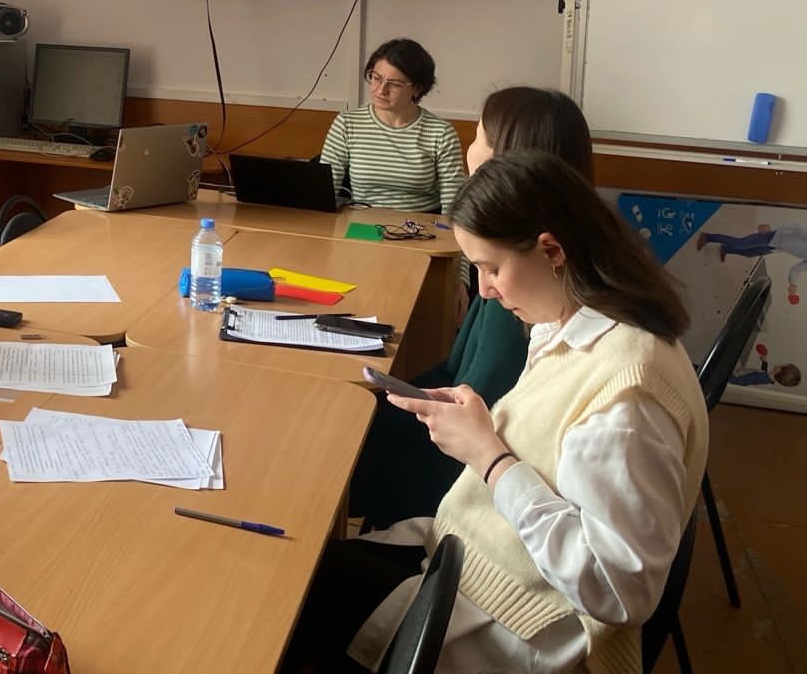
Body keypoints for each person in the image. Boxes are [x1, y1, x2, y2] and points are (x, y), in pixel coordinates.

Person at [285, 150, 707, 673]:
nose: (484, 289)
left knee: (285, 606)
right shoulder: (577, 327)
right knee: (297, 568)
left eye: (491, 268)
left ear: (552, 250)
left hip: (515, 624)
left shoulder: (629, 392)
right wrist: (486, 425)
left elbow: (619, 591)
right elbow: (555, 447)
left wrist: (490, 457)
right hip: (480, 565)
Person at [349, 87, 595, 528]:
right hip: (479, 453)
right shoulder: (531, 261)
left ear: (507, 157)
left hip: (470, 476)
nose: (484, 286)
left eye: (479, 135)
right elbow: (458, 372)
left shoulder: (521, 286)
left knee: (339, 446)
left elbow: (481, 404)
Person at [320, 38, 465, 214]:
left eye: (395, 84)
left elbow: (454, 206)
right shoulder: (347, 123)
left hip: (420, 225)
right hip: (360, 222)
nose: (381, 90)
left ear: (417, 89)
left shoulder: (441, 133)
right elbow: (324, 192)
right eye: (376, 78)